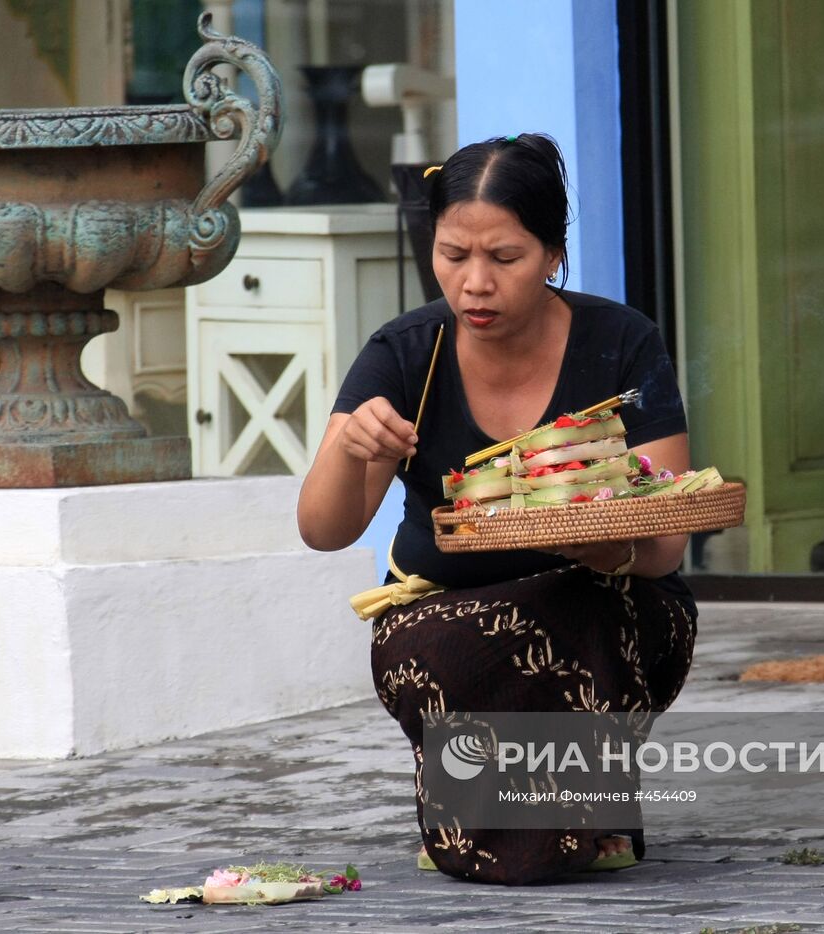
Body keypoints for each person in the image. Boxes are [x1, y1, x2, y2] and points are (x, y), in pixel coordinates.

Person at [296, 133, 697, 886]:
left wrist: (612, 549)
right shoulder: (405, 355)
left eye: (504, 258)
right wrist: (350, 446)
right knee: (448, 644)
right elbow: (324, 530)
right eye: (454, 255)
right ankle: (489, 812)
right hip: (444, 614)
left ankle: (584, 805)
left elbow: (666, 544)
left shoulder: (621, 344)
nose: (474, 282)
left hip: (609, 608)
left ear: (552, 254)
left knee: (577, 608)